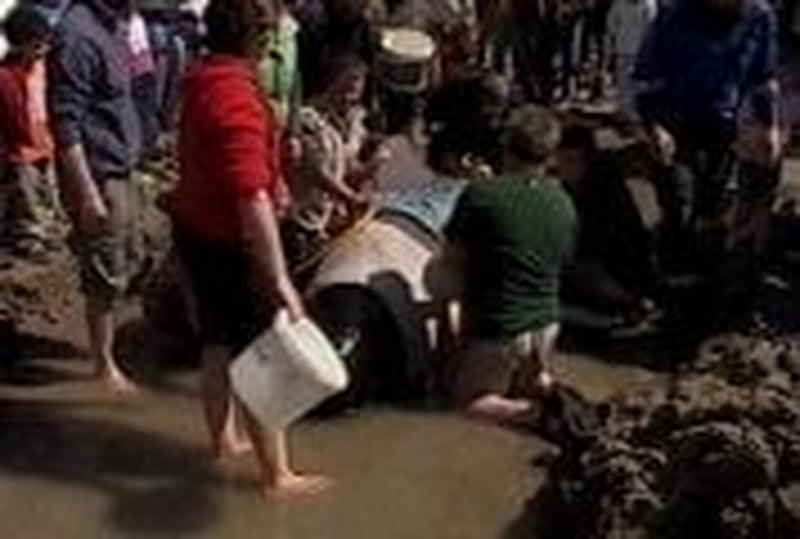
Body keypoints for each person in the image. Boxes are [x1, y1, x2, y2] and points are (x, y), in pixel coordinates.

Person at [170, 0, 328, 499]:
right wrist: (279, 280)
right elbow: (250, 195)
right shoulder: (235, 94)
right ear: (256, 40)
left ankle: (224, 443)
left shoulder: (201, 77)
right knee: (265, 356)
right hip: (231, 240)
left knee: (217, 342)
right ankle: (276, 477)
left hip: (195, 227)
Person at [445, 106, 576, 425]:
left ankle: (539, 415)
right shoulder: (562, 200)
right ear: (550, 153)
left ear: (505, 145)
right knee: (526, 385)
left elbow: (453, 259)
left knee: (468, 403)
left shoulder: (480, 194)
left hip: (498, 329)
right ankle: (546, 391)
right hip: (545, 324)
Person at [634, 0, 782, 276]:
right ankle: (670, 275)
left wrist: (768, 125)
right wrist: (654, 126)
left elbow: (764, 77)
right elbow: (646, 77)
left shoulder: (759, 16)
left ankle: (704, 281)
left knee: (713, 209)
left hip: (723, 128)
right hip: (674, 125)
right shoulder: (672, 14)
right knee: (679, 202)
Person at [48, 0, 142, 393]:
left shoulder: (110, 27)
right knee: (105, 270)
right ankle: (103, 366)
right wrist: (87, 195)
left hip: (121, 168)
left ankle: (107, 349)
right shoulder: (77, 35)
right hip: (99, 176)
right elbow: (65, 126)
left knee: (128, 257)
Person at [284, 54, 385, 277]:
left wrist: (374, 164)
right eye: (349, 80)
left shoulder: (351, 126)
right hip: (302, 221)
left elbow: (349, 171)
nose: (355, 87)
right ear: (331, 80)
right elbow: (317, 172)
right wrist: (352, 198)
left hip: (329, 223)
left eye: (360, 82)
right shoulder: (307, 120)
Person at [556, 124, 658, 325]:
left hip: (616, 269)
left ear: (587, 161)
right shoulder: (571, 188)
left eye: (571, 161)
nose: (564, 168)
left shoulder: (605, 193)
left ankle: (631, 304)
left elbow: (597, 242)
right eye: (561, 161)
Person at [0, 6, 57, 260]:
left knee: (46, 190)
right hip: (19, 148)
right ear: (18, 45)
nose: (41, 51)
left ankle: (46, 230)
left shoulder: (43, 68)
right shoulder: (5, 76)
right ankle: (29, 237)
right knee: (26, 196)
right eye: (36, 46)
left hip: (43, 138)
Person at [607, 0, 657, 120]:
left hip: (632, 48)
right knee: (625, 81)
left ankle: (631, 110)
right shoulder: (647, 3)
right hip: (629, 48)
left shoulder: (647, 4)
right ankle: (627, 110)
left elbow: (611, 24)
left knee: (630, 81)